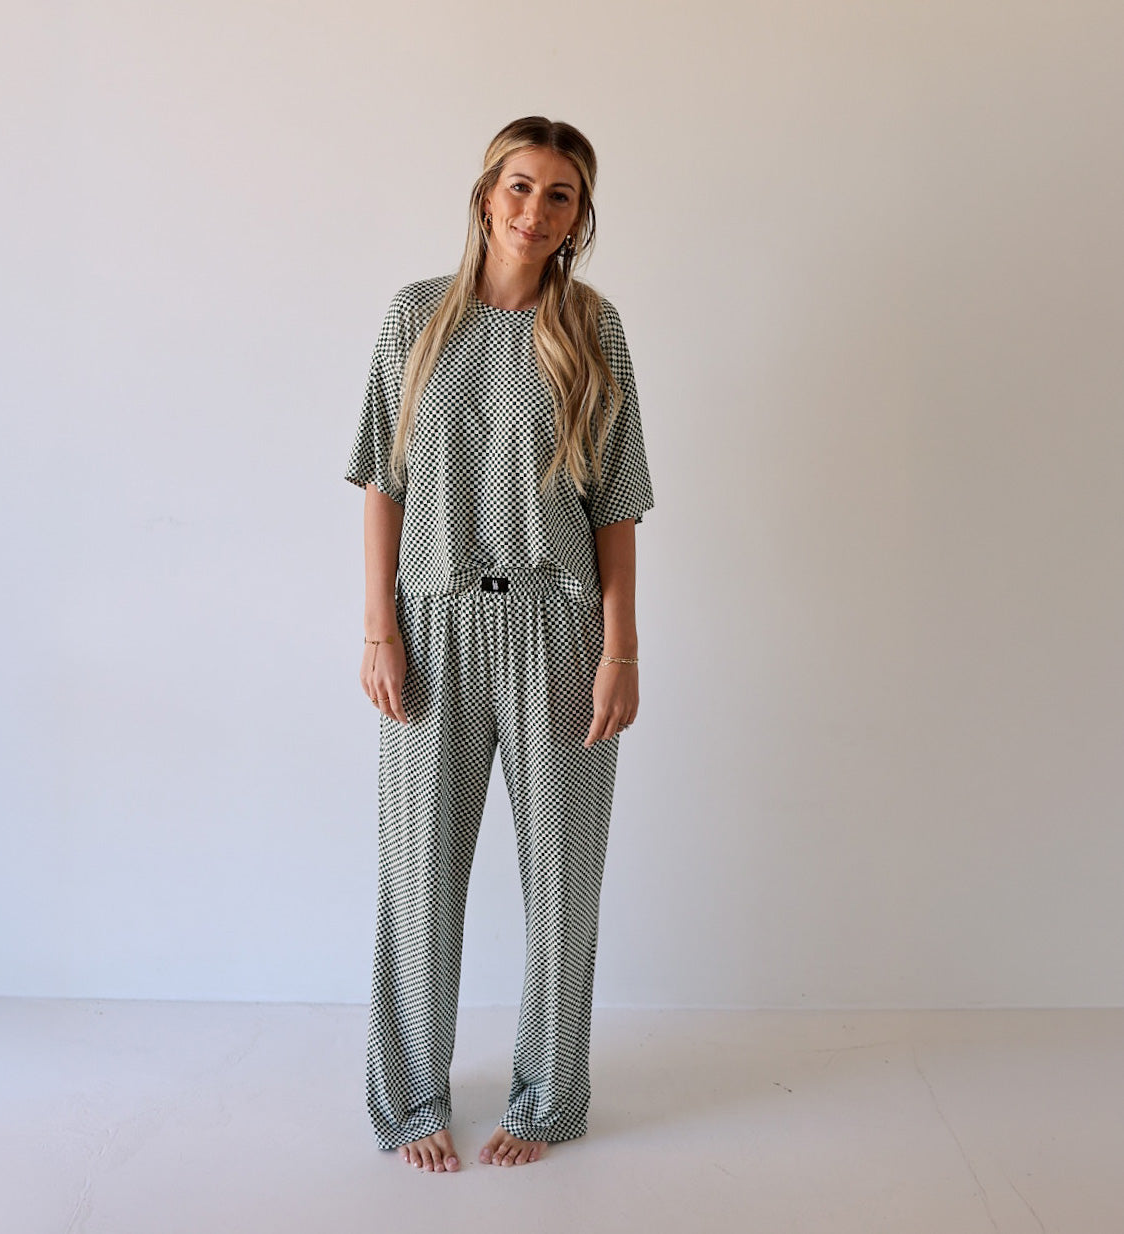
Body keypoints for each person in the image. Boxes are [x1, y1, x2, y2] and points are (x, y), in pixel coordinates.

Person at [343, 115, 655, 1173]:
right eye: (519, 186)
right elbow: (384, 482)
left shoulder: (593, 328)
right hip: (431, 622)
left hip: (560, 628)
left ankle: (550, 1094)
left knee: (564, 876)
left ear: (578, 216)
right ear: (485, 195)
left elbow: (615, 501)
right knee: (417, 872)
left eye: (558, 194)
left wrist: (621, 648)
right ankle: (409, 1095)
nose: (534, 209)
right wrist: (379, 627)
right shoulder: (415, 318)